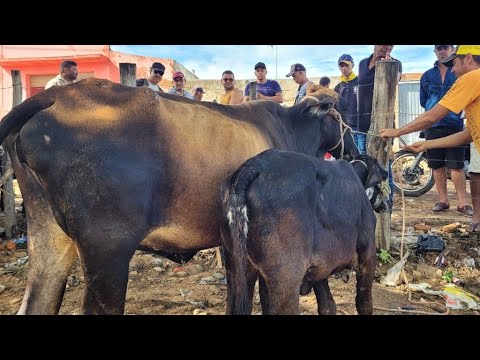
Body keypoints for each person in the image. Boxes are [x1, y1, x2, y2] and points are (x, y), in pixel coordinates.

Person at [380, 45, 480, 231]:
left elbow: (432, 116)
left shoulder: (472, 78)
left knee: (461, 167)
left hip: (448, 125)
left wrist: (397, 132)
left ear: (467, 58)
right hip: (446, 132)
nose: (453, 70)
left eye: (454, 63)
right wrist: (427, 144)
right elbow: (469, 134)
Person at [420, 45, 471, 215]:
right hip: (432, 126)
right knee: (436, 165)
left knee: (457, 166)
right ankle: (442, 200)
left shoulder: (460, 72)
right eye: (439, 48)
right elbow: (424, 101)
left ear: (452, 50)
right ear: (435, 51)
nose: (442, 51)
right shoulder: (427, 75)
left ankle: (463, 203)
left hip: (454, 124)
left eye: (446, 48)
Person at [358, 45, 402, 211]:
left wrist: (387, 67)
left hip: (382, 126)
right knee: (365, 165)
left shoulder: (395, 63)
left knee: (383, 167)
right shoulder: (363, 63)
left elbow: (395, 81)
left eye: (390, 44)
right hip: (361, 125)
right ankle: (368, 202)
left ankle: (385, 202)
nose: (387, 46)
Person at [334, 54, 359, 133]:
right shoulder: (338, 87)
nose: (344, 68)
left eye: (347, 65)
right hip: (344, 126)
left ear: (353, 65)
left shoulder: (360, 83)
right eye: (341, 66)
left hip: (360, 126)